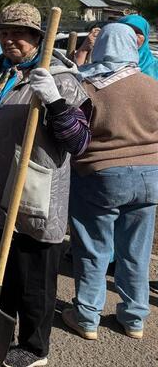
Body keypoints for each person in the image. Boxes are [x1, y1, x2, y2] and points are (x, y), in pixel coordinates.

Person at [0, 3, 91, 367]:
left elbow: (79, 142)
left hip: (34, 194)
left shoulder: (61, 79)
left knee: (33, 277)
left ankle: (35, 347)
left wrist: (54, 101)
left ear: (38, 38)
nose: (9, 39)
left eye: (18, 33)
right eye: (4, 32)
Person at [61, 23, 158, 341]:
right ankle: (134, 317)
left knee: (93, 247)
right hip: (150, 177)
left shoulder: (87, 85)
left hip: (100, 176)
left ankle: (87, 316)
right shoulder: (151, 84)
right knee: (136, 251)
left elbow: (73, 133)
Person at [118, 14, 158, 80]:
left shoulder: (155, 66)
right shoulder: (103, 65)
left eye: (138, 32)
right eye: (128, 30)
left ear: (145, 36)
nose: (132, 36)